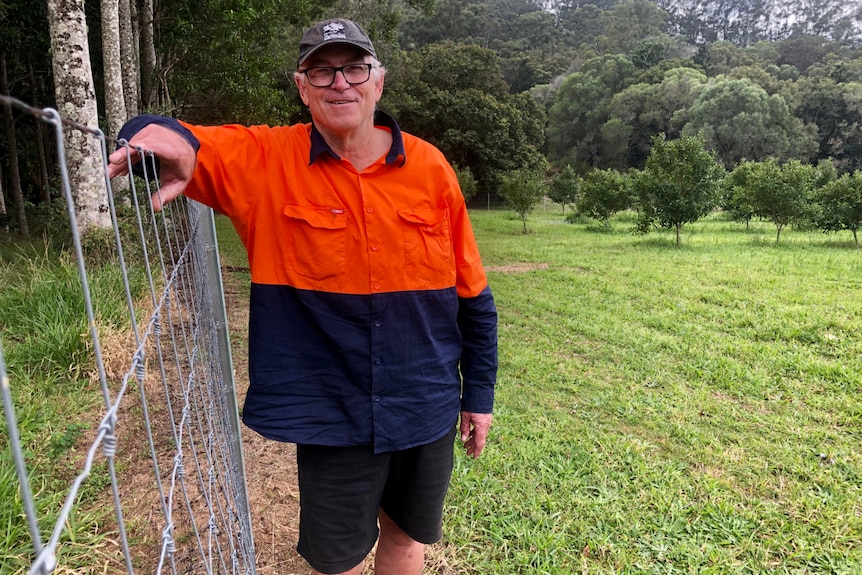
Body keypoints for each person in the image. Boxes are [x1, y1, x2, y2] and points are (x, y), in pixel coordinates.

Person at [107, 18, 497, 575]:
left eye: (354, 68)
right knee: (337, 560)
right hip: (332, 408)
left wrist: (477, 395)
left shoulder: (431, 167)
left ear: (378, 82)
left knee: (409, 538)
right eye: (322, 70)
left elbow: (473, 297)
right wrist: (152, 133)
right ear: (302, 86)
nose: (340, 83)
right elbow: (175, 136)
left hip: (426, 399)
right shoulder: (265, 160)